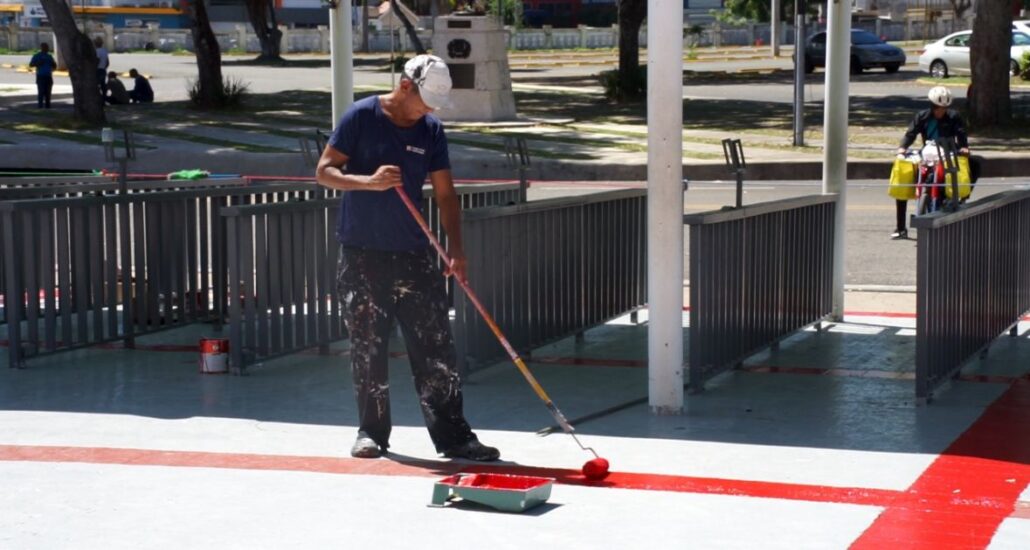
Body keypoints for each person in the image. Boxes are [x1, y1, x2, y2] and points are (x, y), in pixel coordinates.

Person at [314, 54, 500, 462]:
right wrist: (369, 182)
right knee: (368, 348)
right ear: (404, 86)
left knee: (436, 347)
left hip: (414, 253)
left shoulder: (431, 130)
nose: (430, 109)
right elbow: (325, 171)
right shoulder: (361, 116)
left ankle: (454, 436)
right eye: (426, 100)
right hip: (362, 253)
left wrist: (457, 251)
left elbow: (447, 194)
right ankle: (371, 433)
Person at [891, 86, 970, 240]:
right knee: (903, 176)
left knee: (964, 172)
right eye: (939, 108)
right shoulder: (922, 116)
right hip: (926, 154)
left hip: (948, 154)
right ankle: (900, 228)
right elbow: (910, 134)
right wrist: (902, 148)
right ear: (932, 106)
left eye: (945, 108)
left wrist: (964, 148)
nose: (942, 111)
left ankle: (958, 200)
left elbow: (961, 135)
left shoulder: (954, 117)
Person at [28, 42, 56, 109]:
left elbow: (54, 65)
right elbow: (31, 64)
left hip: (48, 76)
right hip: (40, 76)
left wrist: (53, 65)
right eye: (45, 47)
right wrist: (38, 63)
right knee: (41, 92)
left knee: (48, 93)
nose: (46, 48)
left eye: (47, 47)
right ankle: (40, 106)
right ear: (41, 48)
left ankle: (48, 107)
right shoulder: (37, 56)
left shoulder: (49, 56)